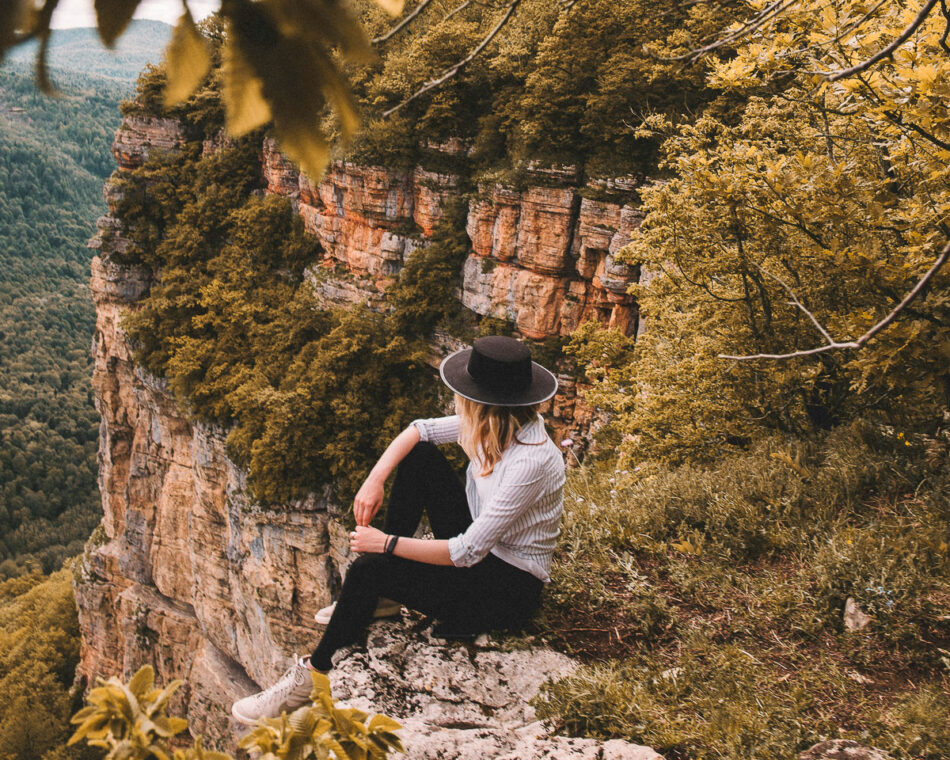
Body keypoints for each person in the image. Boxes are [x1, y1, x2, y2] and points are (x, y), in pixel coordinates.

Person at [231, 336, 565, 725]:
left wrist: (385, 544)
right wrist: (374, 479)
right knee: (419, 457)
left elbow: (467, 551)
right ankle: (383, 598)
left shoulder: (531, 461)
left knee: (369, 570)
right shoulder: (494, 425)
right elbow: (418, 431)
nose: (460, 401)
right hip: (484, 549)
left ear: (483, 404)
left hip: (506, 590)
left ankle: (314, 673)